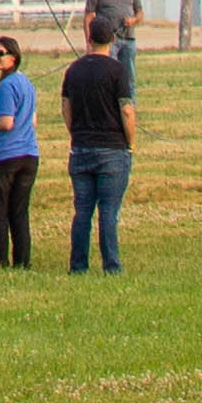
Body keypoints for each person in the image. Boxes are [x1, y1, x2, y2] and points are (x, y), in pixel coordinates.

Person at [63, 18, 135, 272]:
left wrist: (77, 134)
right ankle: (111, 266)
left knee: (82, 211)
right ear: (113, 40)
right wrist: (130, 143)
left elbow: (66, 109)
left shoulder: (73, 70)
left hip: (81, 148)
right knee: (108, 212)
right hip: (112, 150)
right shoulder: (118, 71)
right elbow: (126, 110)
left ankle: (78, 265)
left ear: (89, 39)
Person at [0, 34, 38, 267]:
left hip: (5, 156)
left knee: (0, 210)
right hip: (29, 154)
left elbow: (6, 123)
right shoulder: (27, 83)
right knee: (20, 211)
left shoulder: (6, 85)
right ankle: (23, 261)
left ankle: (0, 259)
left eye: (1, 53)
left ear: (13, 57)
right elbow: (31, 120)